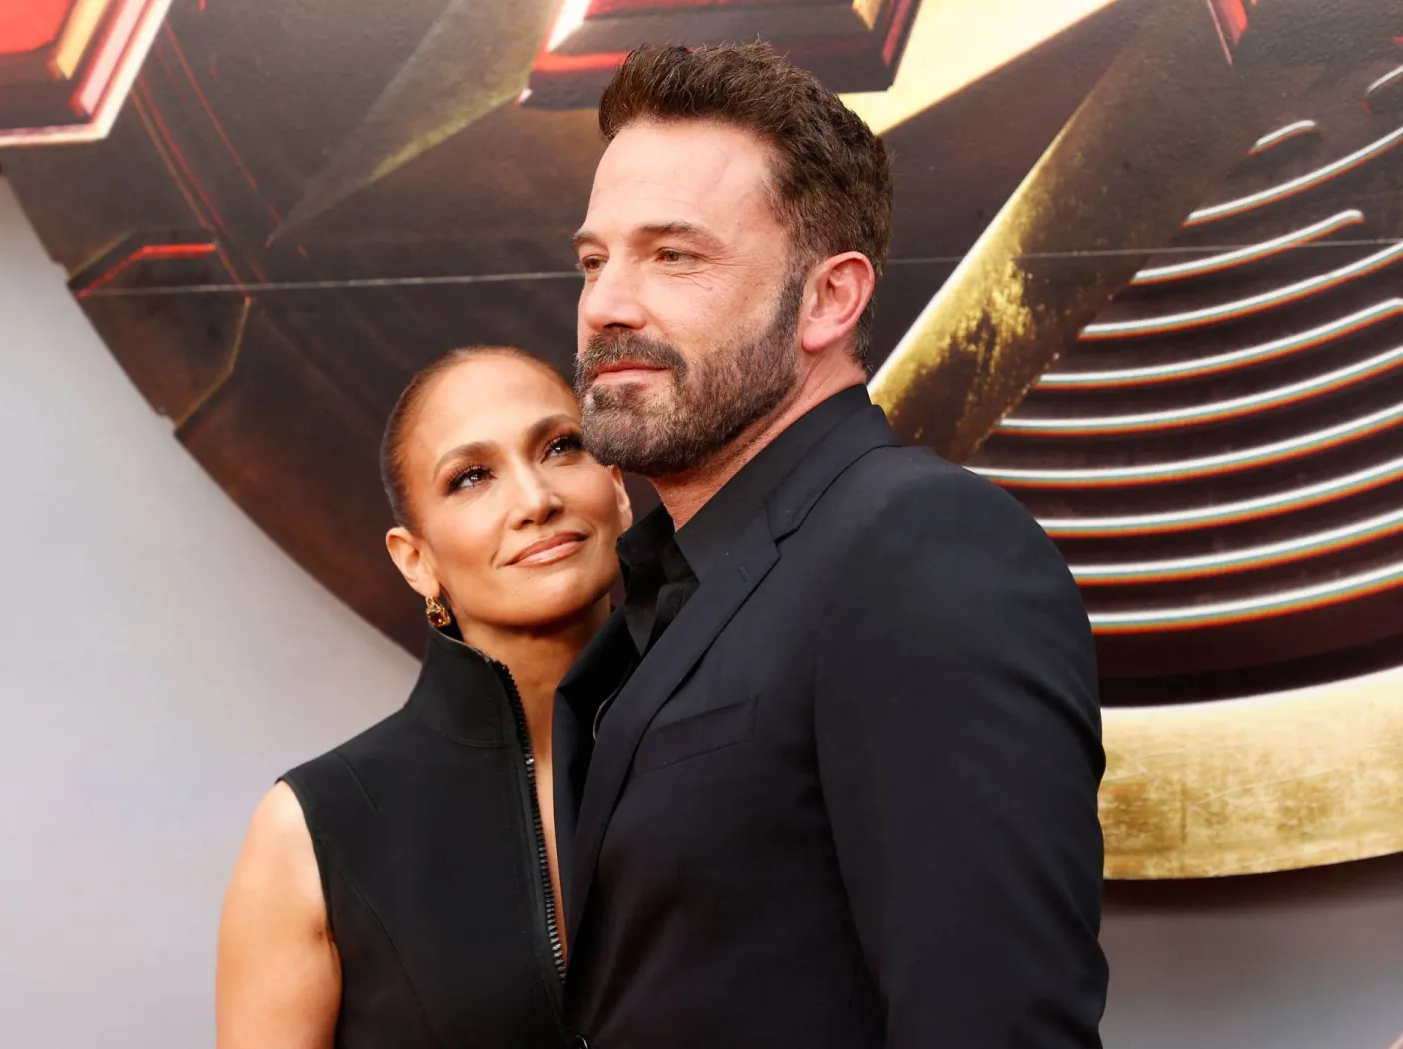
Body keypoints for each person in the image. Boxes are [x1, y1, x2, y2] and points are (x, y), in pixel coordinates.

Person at [555, 43, 1109, 1049]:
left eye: (673, 254)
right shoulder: (671, 583)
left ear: (830, 299)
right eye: (596, 259)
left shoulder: (921, 547)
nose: (608, 305)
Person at [215, 346, 633, 1049]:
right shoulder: (317, 831)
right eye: (471, 478)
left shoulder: (742, 737)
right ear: (417, 559)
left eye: (562, 447)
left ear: (617, 487)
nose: (535, 500)